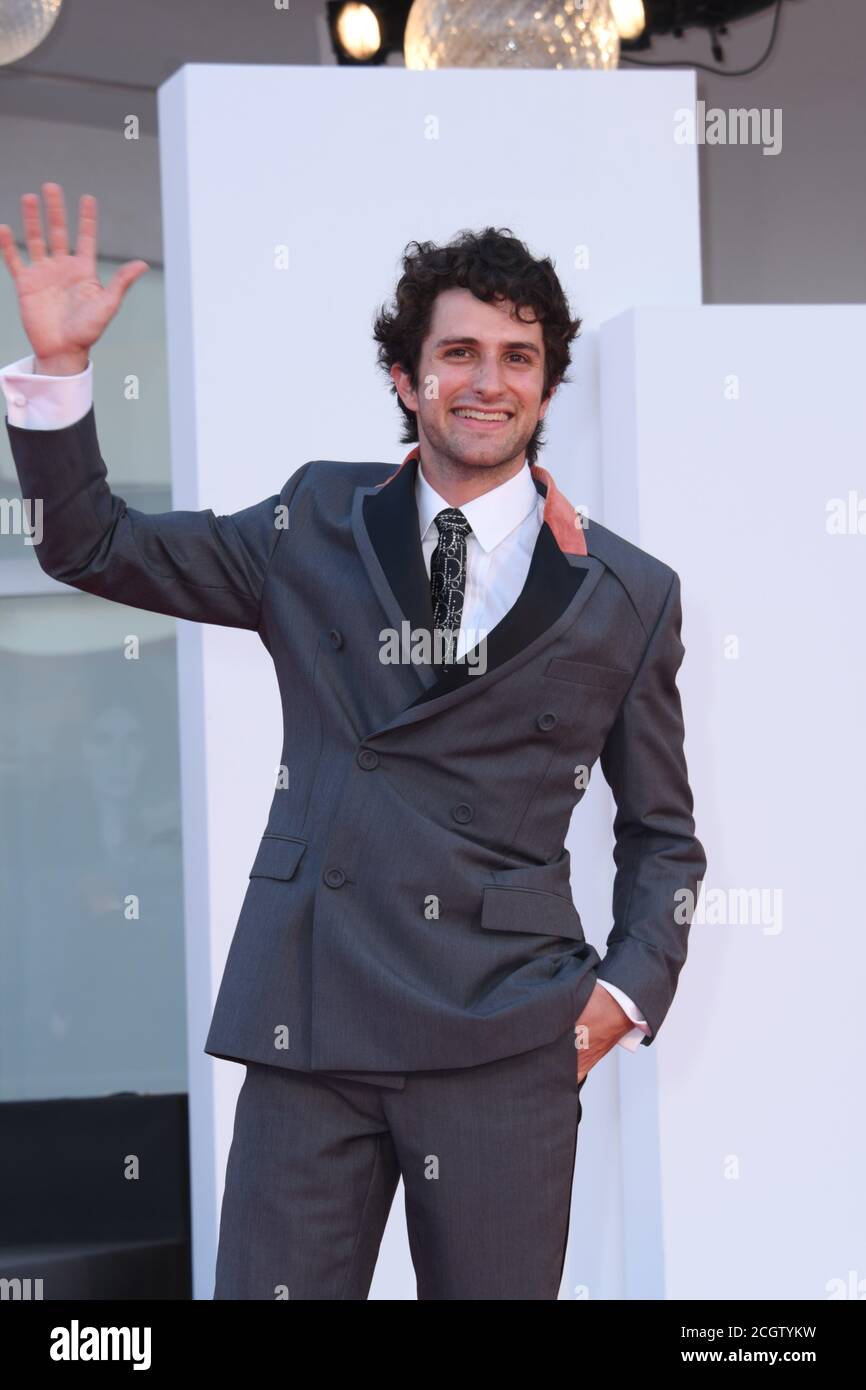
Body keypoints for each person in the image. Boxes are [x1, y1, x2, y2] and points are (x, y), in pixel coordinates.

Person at [0, 184, 706, 1300]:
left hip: (502, 1031)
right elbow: (93, 544)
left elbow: (663, 834)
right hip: (312, 1018)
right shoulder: (312, 523)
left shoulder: (629, 591)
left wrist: (622, 993)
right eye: (458, 351)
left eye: (517, 357)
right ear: (404, 376)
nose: (487, 380)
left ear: (547, 385)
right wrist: (59, 375)